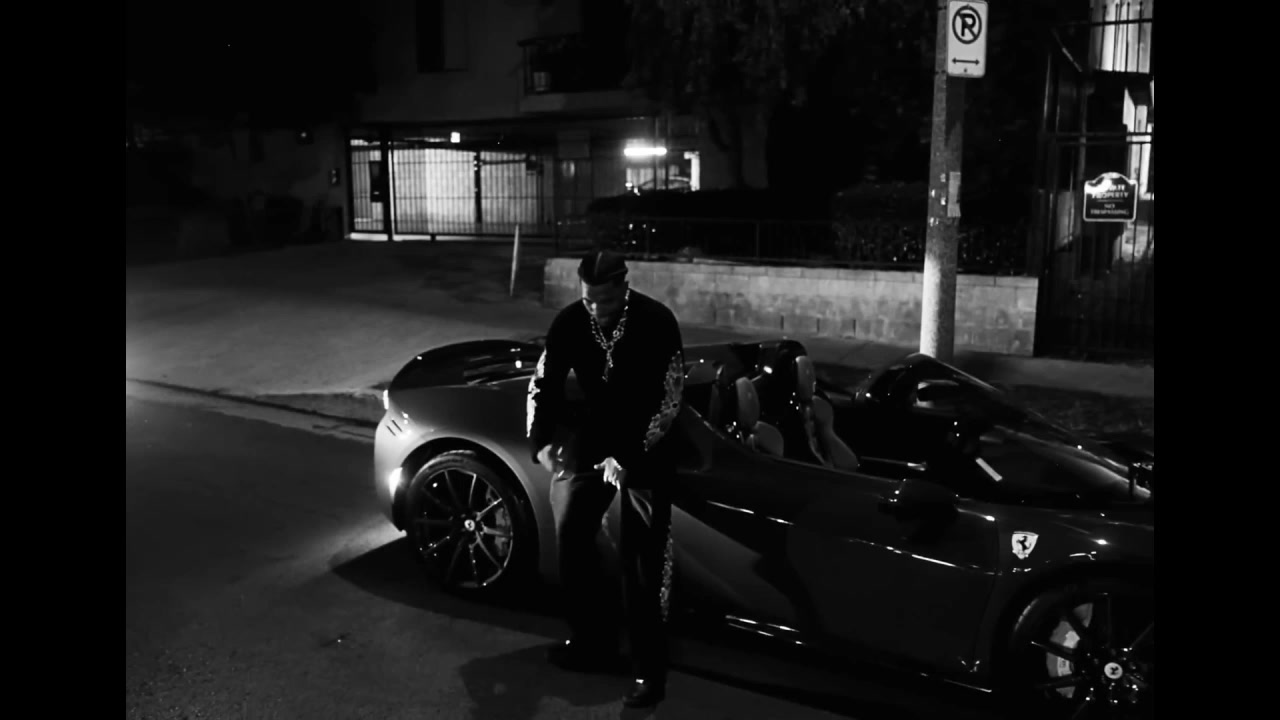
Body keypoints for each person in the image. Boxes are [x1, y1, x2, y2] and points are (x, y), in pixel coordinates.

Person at [526, 249, 685, 709]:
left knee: (643, 560)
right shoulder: (570, 322)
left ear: (624, 287)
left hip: (647, 446)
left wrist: (629, 457)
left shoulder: (657, 321)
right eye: (588, 300)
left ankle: (649, 669)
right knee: (571, 533)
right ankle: (591, 642)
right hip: (596, 438)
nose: (596, 309)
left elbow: (670, 400)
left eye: (606, 300)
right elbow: (544, 382)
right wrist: (541, 441)